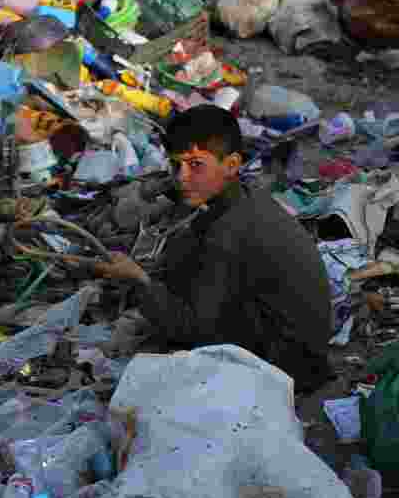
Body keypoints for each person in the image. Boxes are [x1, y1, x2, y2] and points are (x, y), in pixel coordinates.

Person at [92, 104, 334, 393]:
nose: (182, 177)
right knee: (180, 259)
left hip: (286, 369)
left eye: (195, 165)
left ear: (232, 165)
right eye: (175, 165)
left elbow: (198, 330)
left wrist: (139, 280)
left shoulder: (227, 233)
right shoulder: (242, 196)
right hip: (296, 346)